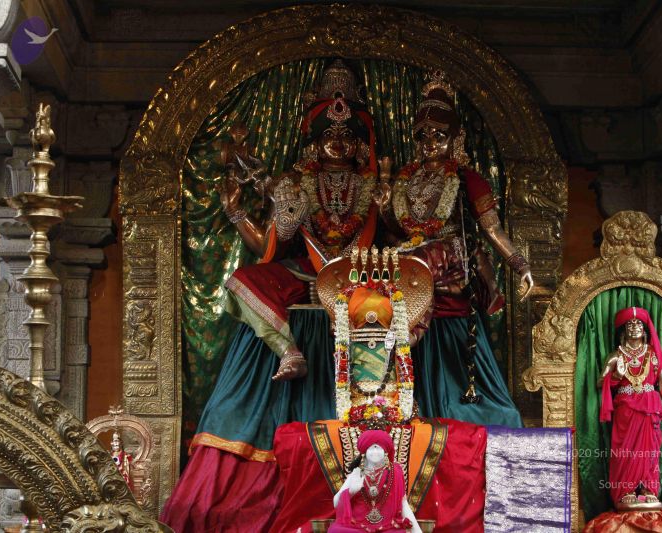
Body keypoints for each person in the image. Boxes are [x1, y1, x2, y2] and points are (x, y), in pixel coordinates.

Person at [161, 60, 380, 532]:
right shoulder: (296, 185)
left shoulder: (376, 188)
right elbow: (271, 246)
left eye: (345, 135)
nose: (337, 143)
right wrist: (240, 214)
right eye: (327, 134)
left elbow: (398, 242)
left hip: (359, 278)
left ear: (360, 143)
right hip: (304, 273)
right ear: (312, 142)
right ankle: (288, 349)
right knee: (246, 279)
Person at [378, 71, 531, 427]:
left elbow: (491, 228)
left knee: (419, 261)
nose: (430, 143)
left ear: (456, 137)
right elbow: (395, 229)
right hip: (411, 257)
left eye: (439, 135)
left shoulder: (465, 179)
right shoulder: (406, 178)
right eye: (423, 136)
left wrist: (519, 264)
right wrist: (385, 206)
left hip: (448, 257)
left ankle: (402, 338)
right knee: (389, 267)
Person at [598, 306, 662, 510]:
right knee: (625, 450)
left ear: (644, 329)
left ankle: (648, 489)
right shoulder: (615, 356)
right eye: (630, 324)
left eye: (638, 323)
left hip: (650, 407)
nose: (634, 327)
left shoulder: (653, 355)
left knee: (650, 451)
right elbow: (600, 381)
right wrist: (616, 376)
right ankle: (627, 490)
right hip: (626, 409)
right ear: (624, 331)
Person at [329, 430, 422, 533]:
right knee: (336, 530)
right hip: (358, 527)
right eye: (371, 448)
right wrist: (351, 491)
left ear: (386, 451)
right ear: (364, 452)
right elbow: (336, 503)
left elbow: (403, 504)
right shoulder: (357, 473)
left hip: (388, 527)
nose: (375, 452)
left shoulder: (395, 472)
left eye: (378, 448)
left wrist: (417, 531)